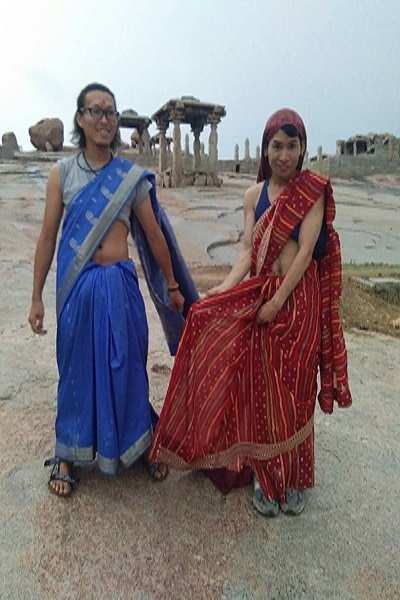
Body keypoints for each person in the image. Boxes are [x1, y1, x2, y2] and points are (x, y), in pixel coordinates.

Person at [149, 108, 352, 516]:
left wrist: (278, 303)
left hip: (297, 303)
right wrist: (222, 290)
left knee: (293, 393)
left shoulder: (311, 192)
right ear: (265, 148)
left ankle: (293, 476)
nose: (284, 155)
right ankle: (265, 475)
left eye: (292, 146)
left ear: (302, 149)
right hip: (260, 296)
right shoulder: (252, 196)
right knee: (263, 390)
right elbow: (246, 251)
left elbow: (305, 256)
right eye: (276, 146)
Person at [28, 82, 197, 497]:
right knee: (75, 371)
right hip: (78, 290)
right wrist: (36, 298)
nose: (104, 120)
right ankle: (67, 452)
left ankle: (139, 443)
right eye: (96, 111)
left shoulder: (129, 178)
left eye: (111, 113)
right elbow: (48, 237)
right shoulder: (62, 174)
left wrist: (173, 285)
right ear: (80, 119)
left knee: (128, 368)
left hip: (120, 287)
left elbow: (155, 236)